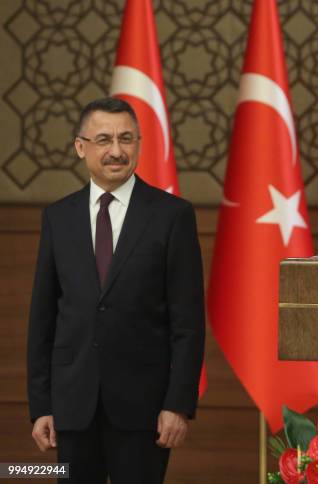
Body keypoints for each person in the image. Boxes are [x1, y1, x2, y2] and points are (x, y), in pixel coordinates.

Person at [27, 97, 205, 484]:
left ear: (139, 144)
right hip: (72, 410)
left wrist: (178, 405)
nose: (116, 151)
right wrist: (41, 405)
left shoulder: (172, 216)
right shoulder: (58, 218)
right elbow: (43, 320)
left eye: (126, 139)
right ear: (80, 147)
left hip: (144, 412)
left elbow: (188, 324)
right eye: (104, 139)